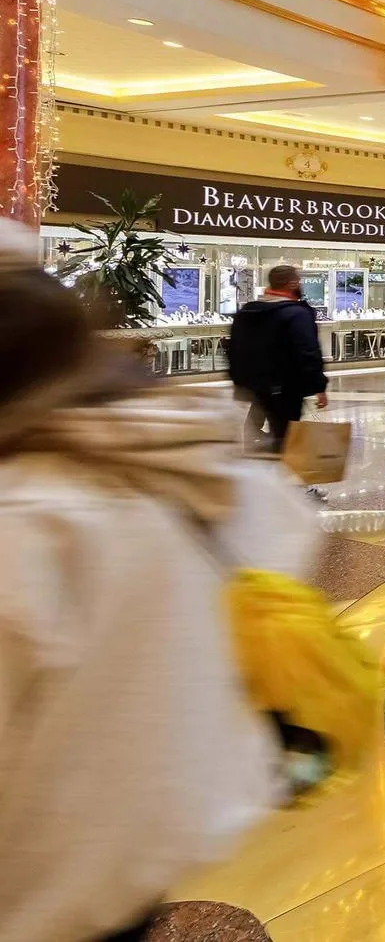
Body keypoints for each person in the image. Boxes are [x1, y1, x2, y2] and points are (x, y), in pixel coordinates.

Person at [0, 221, 321, 942]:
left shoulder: (27, 518)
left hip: (41, 886)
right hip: (139, 848)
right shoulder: (176, 461)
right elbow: (283, 528)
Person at [227, 263, 328, 453]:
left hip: (256, 386)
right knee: (286, 434)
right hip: (287, 388)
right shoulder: (296, 314)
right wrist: (318, 386)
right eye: (298, 280)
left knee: (255, 429)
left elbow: (233, 348)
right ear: (291, 284)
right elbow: (308, 352)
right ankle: (285, 476)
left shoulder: (247, 312)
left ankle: (258, 471)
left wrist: (240, 381)